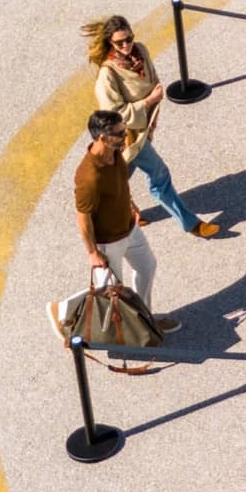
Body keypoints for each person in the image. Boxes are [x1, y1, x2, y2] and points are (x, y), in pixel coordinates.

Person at [81, 14, 221, 238]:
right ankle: (192, 224)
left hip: (145, 128)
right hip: (127, 137)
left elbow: (153, 78)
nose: (126, 45)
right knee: (159, 175)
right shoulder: (108, 75)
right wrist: (147, 102)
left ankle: (119, 206)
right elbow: (114, 114)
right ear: (110, 43)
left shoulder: (141, 51)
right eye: (120, 42)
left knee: (120, 175)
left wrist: (154, 103)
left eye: (129, 38)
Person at [75, 109, 179, 333]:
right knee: (111, 290)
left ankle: (143, 319)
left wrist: (130, 205)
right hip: (108, 241)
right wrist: (93, 252)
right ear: (102, 137)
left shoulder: (116, 153)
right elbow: (83, 217)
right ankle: (107, 332)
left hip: (129, 229)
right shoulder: (89, 176)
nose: (125, 135)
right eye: (120, 133)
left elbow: (121, 183)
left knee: (147, 266)